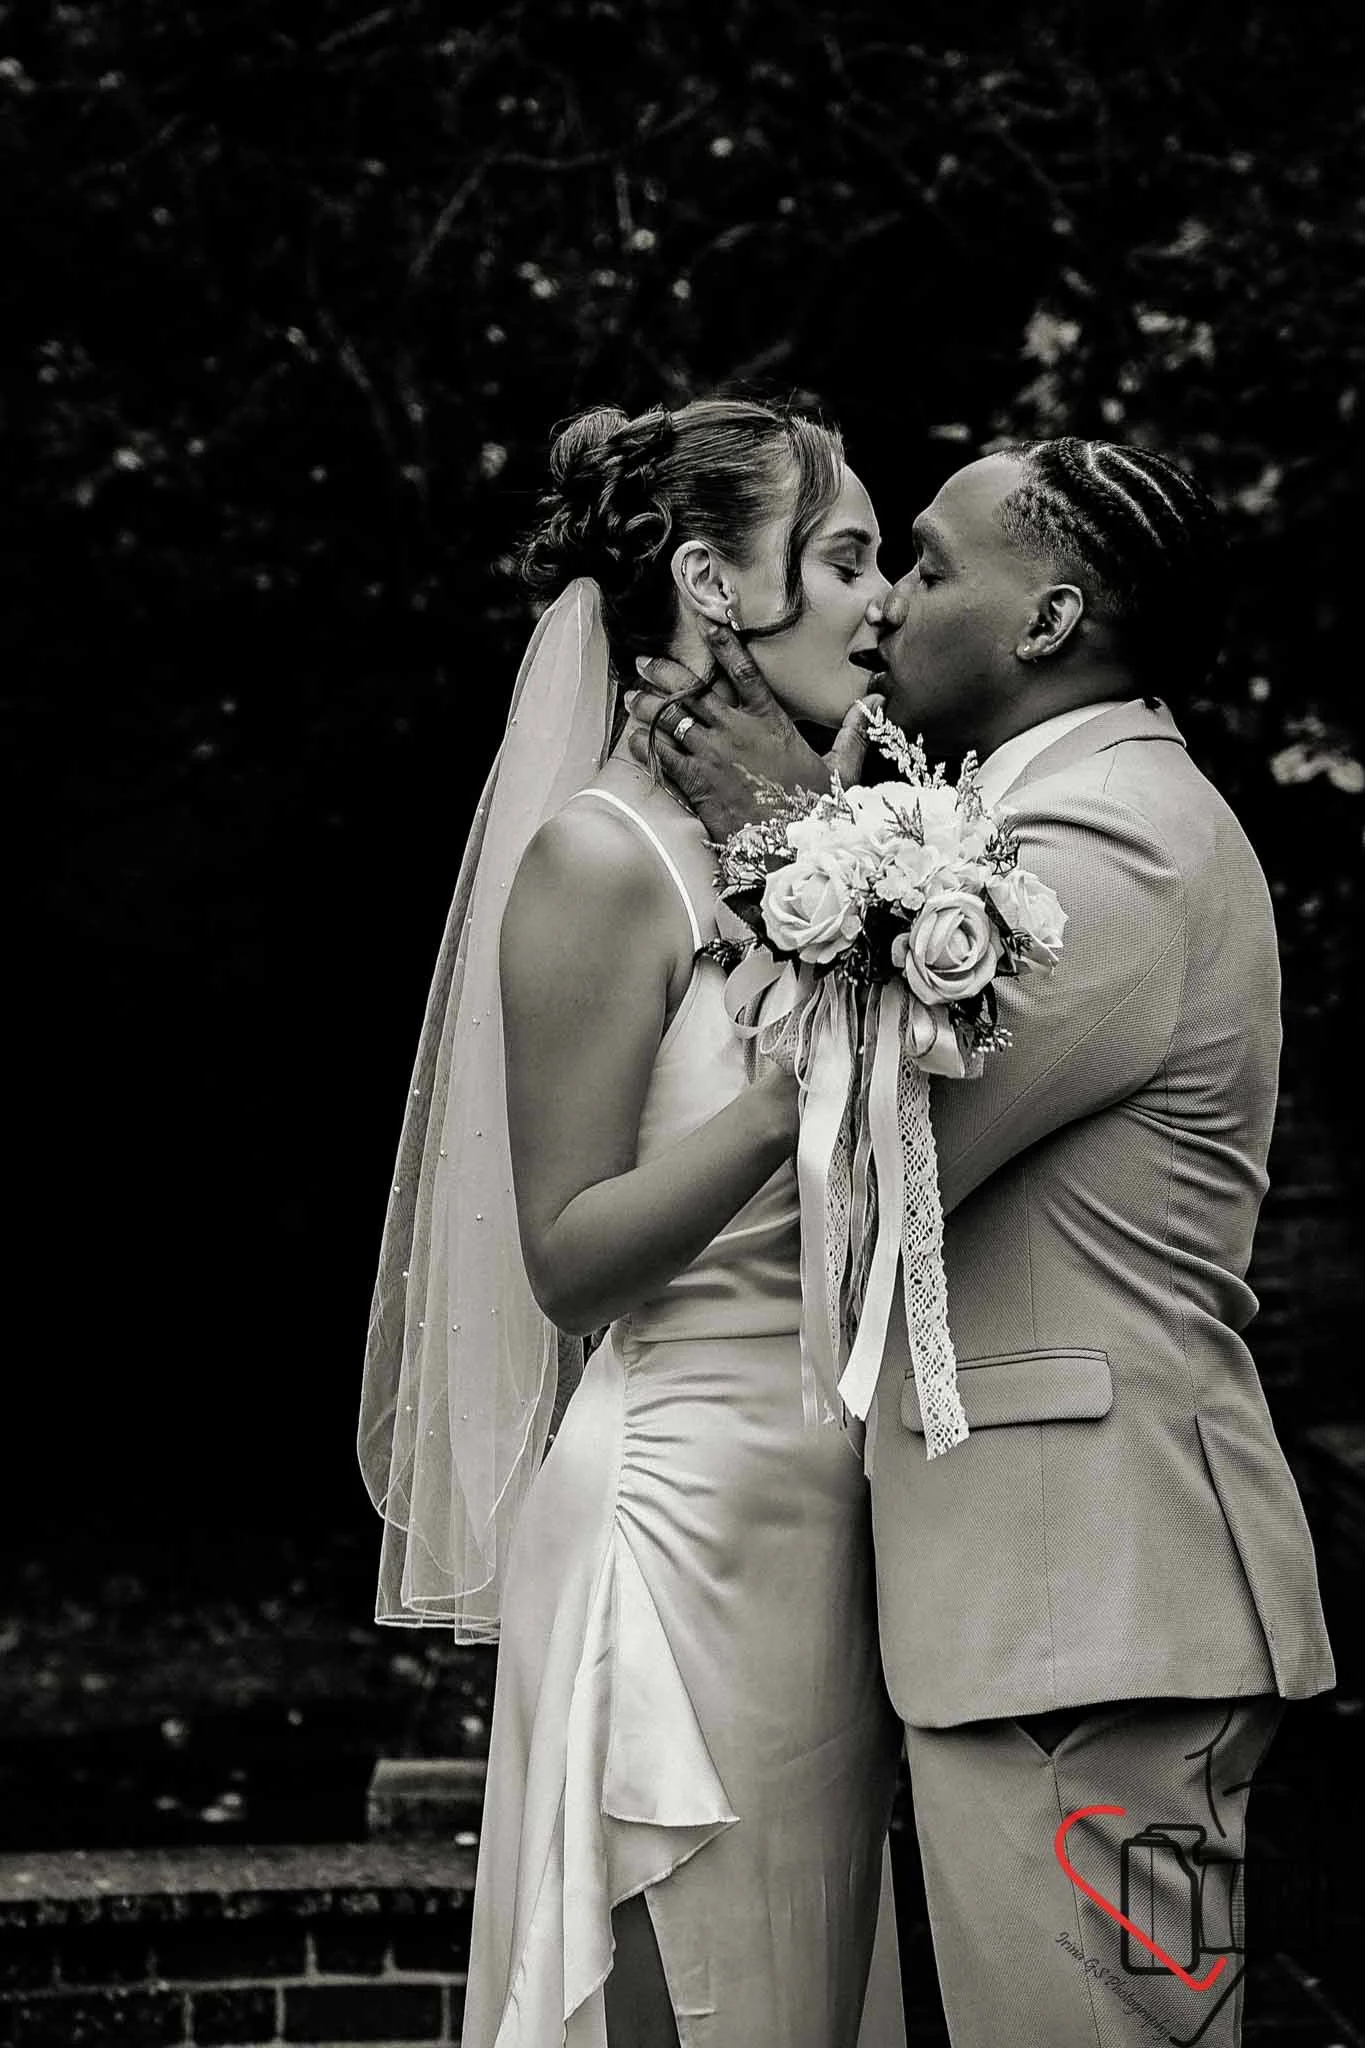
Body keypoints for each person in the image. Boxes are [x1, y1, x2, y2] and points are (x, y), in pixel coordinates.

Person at [627, 437, 1336, 2048]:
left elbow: (871, 1156)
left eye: (933, 565)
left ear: (1050, 620)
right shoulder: (1042, 823)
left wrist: (783, 837)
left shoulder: (1110, 845)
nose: (887, 605)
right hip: (1059, 1615)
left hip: (1091, 1608)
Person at [358, 398, 909, 2048]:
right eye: (845, 559)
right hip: (677, 1524)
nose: (883, 600)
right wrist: (782, 1092)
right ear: (712, 582)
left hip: (831, 1524)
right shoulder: (597, 863)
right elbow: (569, 1255)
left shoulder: (815, 844)